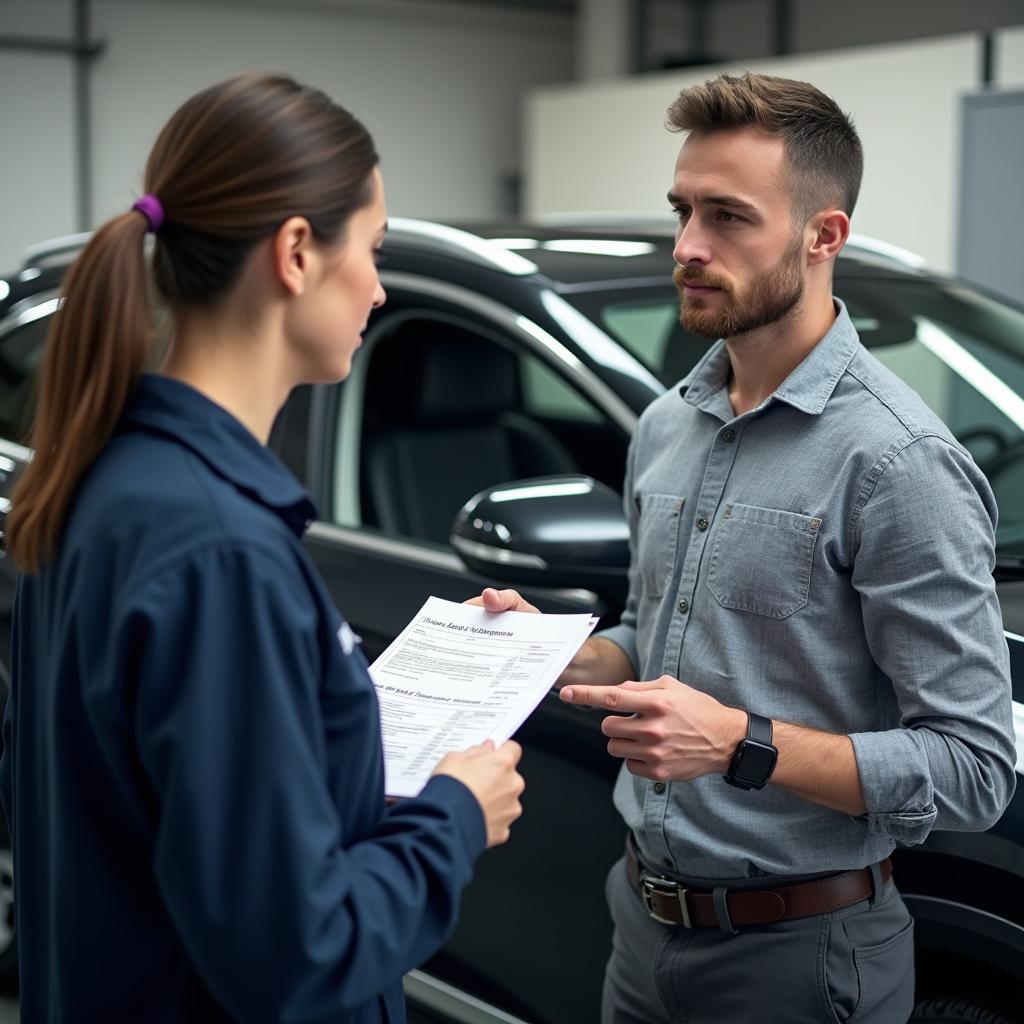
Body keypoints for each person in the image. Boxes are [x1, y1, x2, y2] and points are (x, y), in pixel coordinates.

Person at [475, 72, 1016, 1023]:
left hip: (803, 956)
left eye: (728, 217)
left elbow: (973, 767)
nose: (687, 247)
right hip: (640, 925)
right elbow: (659, 634)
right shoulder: (665, 427)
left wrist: (739, 745)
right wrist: (563, 649)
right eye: (683, 211)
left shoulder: (898, 463)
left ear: (823, 236)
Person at [0, 73, 524, 1023]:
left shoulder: (106, 486)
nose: (378, 283)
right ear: (294, 253)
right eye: (372, 247)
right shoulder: (217, 550)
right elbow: (298, 955)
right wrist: (454, 814)